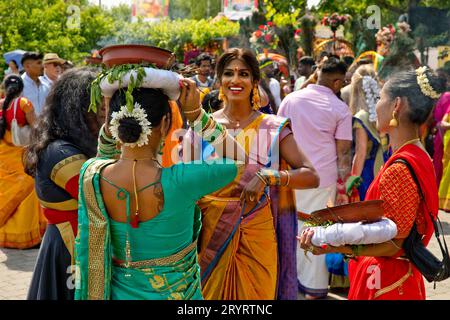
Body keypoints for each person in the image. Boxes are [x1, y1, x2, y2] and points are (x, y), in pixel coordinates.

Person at [74, 56, 250, 299]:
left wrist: (111, 119)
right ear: (166, 123)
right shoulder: (183, 180)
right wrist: (197, 116)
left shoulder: (93, 174)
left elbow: (104, 153)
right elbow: (238, 161)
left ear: (114, 125)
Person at [299, 67, 446, 300]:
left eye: (380, 98)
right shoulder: (418, 155)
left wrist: (332, 244)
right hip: (398, 278)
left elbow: (394, 244)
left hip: (385, 282)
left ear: (396, 105)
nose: (375, 105)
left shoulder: (400, 167)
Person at [184, 48, 319, 300]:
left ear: (255, 82)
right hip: (209, 239)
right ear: (219, 80)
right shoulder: (202, 128)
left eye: (243, 74)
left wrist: (269, 176)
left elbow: (311, 175)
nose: (235, 80)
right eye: (228, 74)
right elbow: (184, 182)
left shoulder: (271, 126)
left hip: (257, 237)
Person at [278, 57, 353, 299]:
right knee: (318, 229)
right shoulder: (340, 108)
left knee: (291, 226)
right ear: (338, 81)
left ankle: (291, 282)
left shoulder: (290, 99)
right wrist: (344, 186)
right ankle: (314, 288)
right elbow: (343, 152)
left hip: (292, 176)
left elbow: (276, 137)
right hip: (323, 179)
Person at [25, 68, 102, 300]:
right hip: (69, 247)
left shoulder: (74, 144)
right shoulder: (59, 152)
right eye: (98, 105)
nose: (104, 111)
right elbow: (101, 192)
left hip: (78, 241)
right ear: (76, 108)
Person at [0, 75, 46, 249]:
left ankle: (6, 235)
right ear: (21, 88)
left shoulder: (1, 103)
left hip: (4, 156)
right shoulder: (23, 103)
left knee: (6, 192)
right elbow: (35, 127)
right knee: (27, 195)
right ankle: (25, 237)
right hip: (20, 156)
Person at [350, 64, 389, 200]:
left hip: (368, 172)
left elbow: (360, 153)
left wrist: (352, 181)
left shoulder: (361, 117)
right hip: (386, 165)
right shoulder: (386, 113)